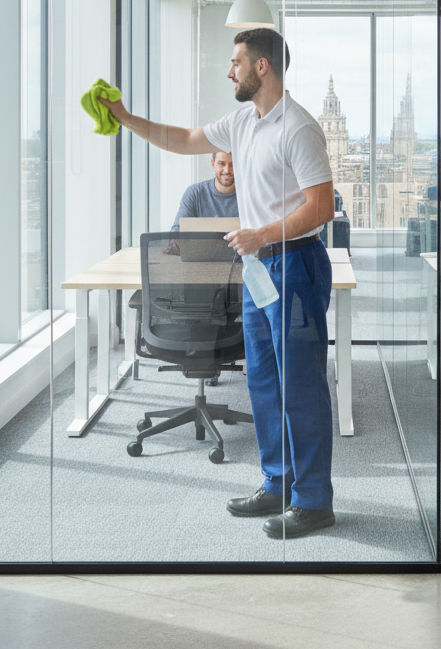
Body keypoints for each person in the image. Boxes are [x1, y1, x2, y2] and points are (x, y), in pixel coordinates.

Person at [100, 28, 336, 539]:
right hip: (258, 269)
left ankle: (314, 500)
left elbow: (321, 207)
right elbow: (183, 140)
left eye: (236, 62)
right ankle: (277, 483)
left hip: (294, 263)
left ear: (262, 68)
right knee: (264, 383)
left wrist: (262, 234)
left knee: (301, 387)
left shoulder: (298, 128)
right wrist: (124, 117)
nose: (230, 70)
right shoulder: (243, 123)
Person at [169, 150, 238, 231]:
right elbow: (176, 235)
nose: (227, 170)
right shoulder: (194, 193)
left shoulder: (250, 195)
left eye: (232, 164)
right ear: (213, 164)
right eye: (221, 164)